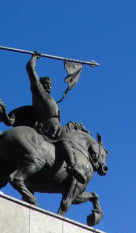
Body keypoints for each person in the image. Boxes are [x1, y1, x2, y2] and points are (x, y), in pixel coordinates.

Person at [26, 52, 86, 184]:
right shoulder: (38, 91)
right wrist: (34, 59)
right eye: (46, 83)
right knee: (64, 135)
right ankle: (72, 166)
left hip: (53, 124)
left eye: (50, 84)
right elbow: (30, 70)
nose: (48, 86)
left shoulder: (50, 98)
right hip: (49, 126)